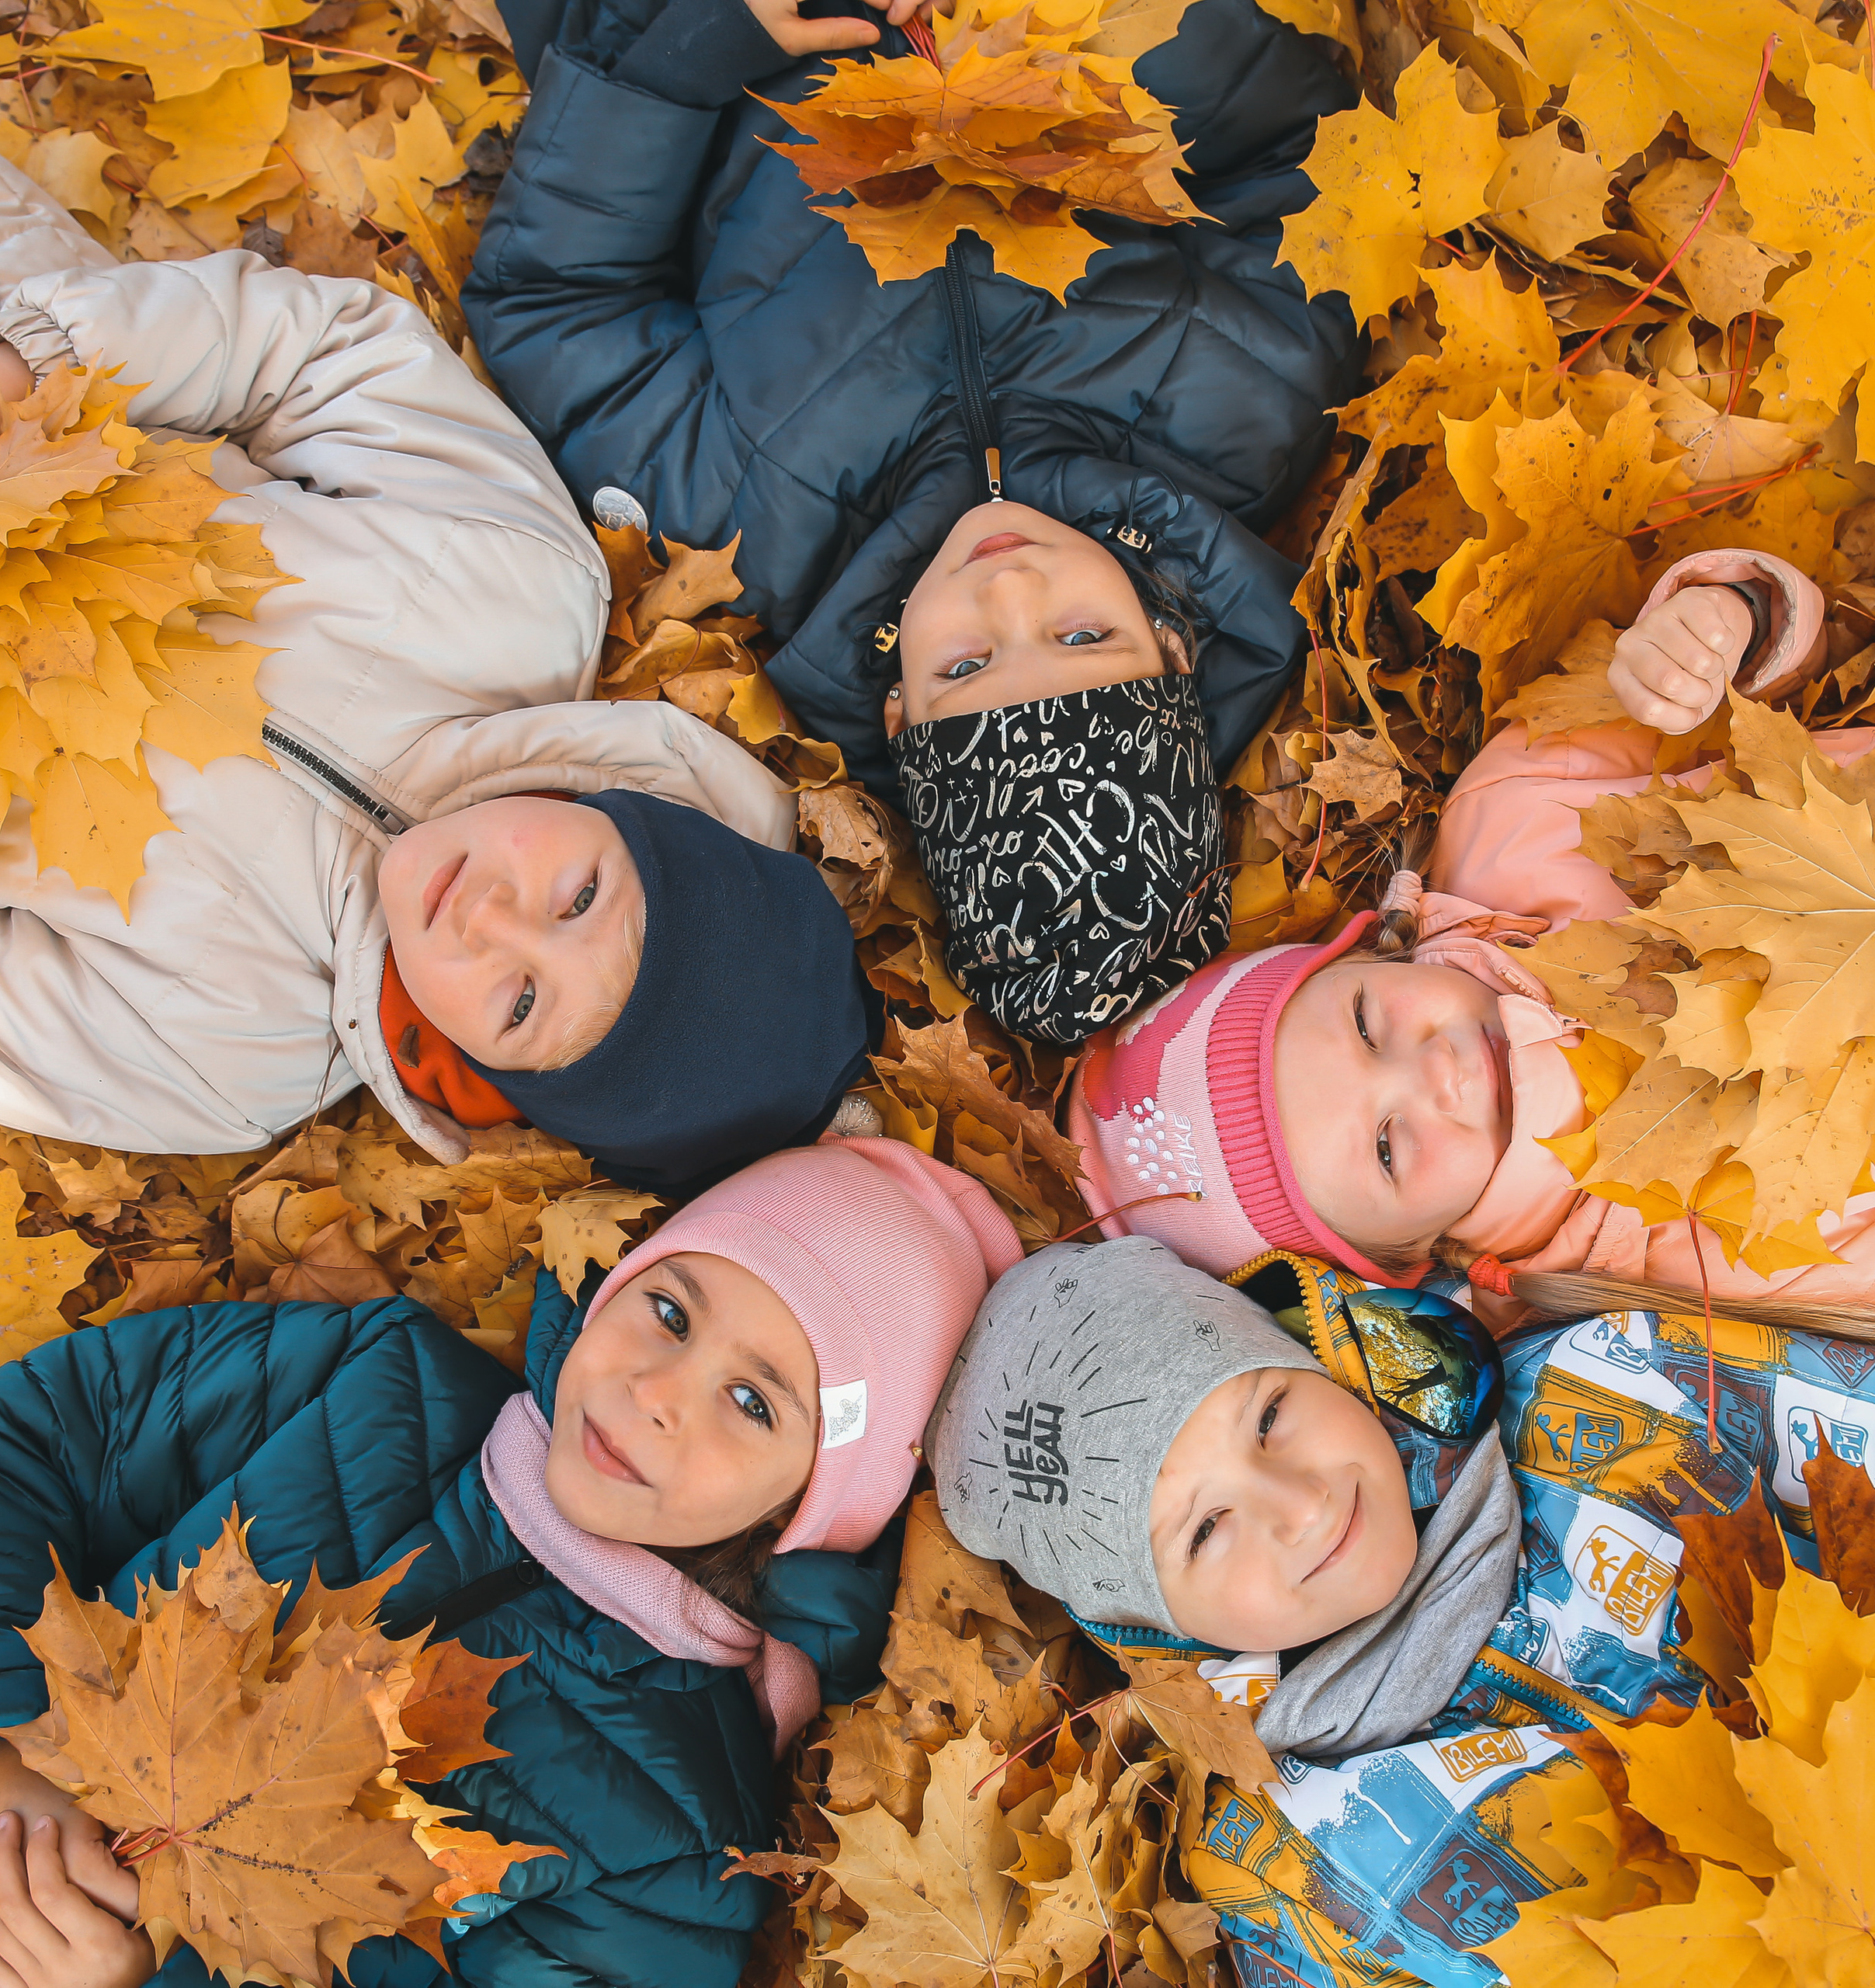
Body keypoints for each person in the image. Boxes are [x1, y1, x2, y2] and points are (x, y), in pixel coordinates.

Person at [0, 116, 873, 1194]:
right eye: (581, 896)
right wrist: (24, 377)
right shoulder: (516, 591)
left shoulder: (228, 1059)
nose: (490, 922)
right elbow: (310, 358)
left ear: (491, 1077)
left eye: (521, 1003)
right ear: (636, 817)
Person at [0, 1135, 1024, 1988]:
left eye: (751, 1400)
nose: (656, 1394)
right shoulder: (374, 1381)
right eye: (672, 1311)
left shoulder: (679, 1849)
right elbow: (10, 1453)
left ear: (815, 1503)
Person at [461, 0, 1362, 1043]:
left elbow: (560, 303)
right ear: (1170, 647)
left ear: (897, 712)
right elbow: (1302, 157)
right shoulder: (1247, 406)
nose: (1008, 589)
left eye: (966, 666)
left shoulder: (738, 526)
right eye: (1081, 638)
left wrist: (697, 43)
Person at [929, 1232, 1875, 1986]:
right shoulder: (1295, 1859)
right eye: (1206, 1528)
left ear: (1322, 1357)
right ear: (1155, 1624)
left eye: (1267, 1416)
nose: (1298, 1503)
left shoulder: (1614, 1387)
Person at [1066, 547, 1875, 1317]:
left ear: (1364, 952)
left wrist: (1725, 617)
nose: (1433, 1071)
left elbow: (1795, 673)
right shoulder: (1680, 1279)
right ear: (1408, 1255)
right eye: (1387, 1147)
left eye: (1366, 1023)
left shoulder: (1518, 815)